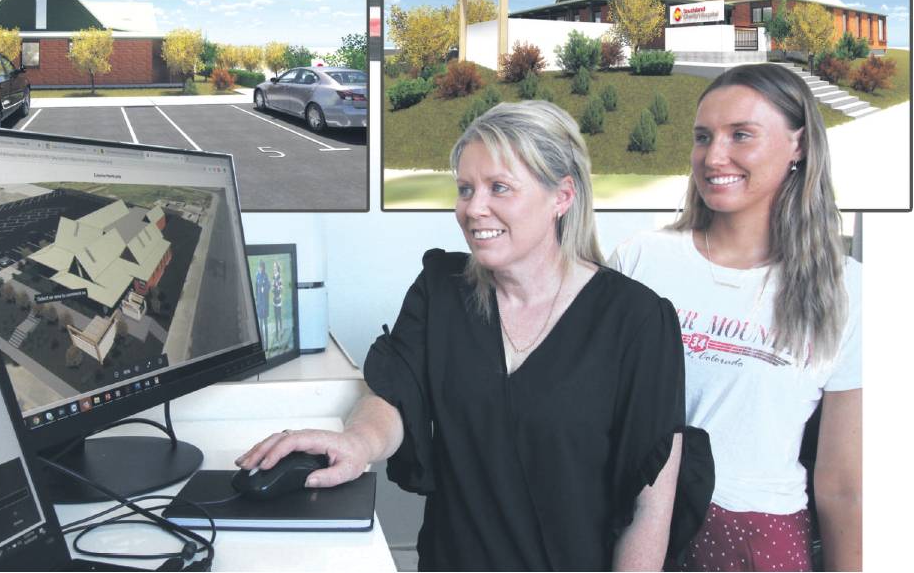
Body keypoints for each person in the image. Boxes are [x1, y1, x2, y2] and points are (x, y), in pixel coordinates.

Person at [239, 101, 696, 571]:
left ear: (562, 196)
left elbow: (650, 510)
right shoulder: (441, 289)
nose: (474, 209)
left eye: (499, 187)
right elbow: (397, 395)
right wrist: (358, 442)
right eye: (465, 188)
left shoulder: (638, 321)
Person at [611, 63, 862, 571]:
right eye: (703, 137)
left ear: (799, 146)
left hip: (759, 539)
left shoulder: (847, 288)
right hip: (634, 528)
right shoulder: (641, 259)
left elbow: (842, 485)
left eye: (740, 135)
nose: (713, 156)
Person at [254, 260, 270, 341]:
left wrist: (265, 289)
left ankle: (266, 342)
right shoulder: (257, 276)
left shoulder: (266, 276)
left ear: (263, 268)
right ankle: (262, 341)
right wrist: (256, 299)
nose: (260, 269)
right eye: (259, 267)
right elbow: (256, 288)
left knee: (265, 323)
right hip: (260, 303)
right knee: (260, 323)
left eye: (261, 267)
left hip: (265, 303)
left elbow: (269, 286)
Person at [271, 261, 283, 340]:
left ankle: (280, 331)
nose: (274, 268)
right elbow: (273, 288)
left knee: (279, 316)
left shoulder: (279, 277)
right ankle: (277, 333)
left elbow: (280, 288)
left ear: (277, 268)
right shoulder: (274, 277)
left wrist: (276, 287)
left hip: (278, 299)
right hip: (274, 299)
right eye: (273, 267)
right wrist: (274, 287)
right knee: (276, 316)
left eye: (275, 266)